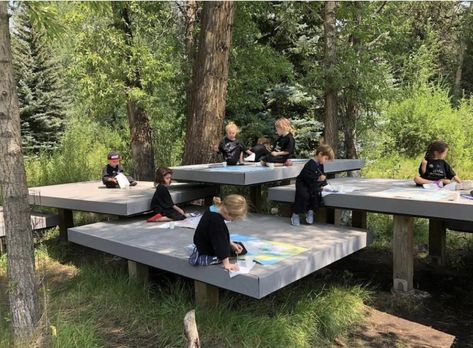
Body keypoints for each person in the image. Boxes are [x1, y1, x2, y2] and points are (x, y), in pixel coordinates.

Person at [189, 195, 247, 272]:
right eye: (233, 218)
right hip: (207, 247)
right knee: (240, 251)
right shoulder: (217, 221)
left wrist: (231, 243)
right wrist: (227, 264)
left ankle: (203, 252)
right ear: (228, 213)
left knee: (239, 247)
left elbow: (219, 236)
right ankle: (207, 258)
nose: (233, 220)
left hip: (202, 242)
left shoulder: (214, 208)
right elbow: (220, 242)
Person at [291, 144, 334, 226]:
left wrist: (324, 184)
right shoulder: (310, 164)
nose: (325, 161)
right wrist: (318, 178)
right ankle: (295, 214)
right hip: (303, 183)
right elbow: (307, 176)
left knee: (316, 195)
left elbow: (322, 175)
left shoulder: (320, 164)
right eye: (325, 159)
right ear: (320, 154)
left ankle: (310, 211)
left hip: (313, 184)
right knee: (304, 195)